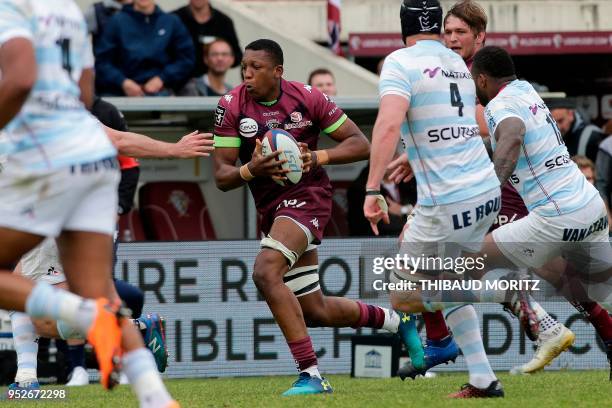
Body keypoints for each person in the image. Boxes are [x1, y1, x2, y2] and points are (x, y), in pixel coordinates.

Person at [0, 1, 180, 405]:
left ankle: (49, 357)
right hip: (89, 158)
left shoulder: (10, 11)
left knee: (52, 299)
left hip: (44, 162)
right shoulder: (70, 12)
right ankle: (156, 397)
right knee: (99, 294)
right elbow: (83, 93)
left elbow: (20, 80)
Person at [213, 39, 403, 396]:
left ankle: (311, 375)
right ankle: (397, 320)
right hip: (272, 210)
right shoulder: (231, 106)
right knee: (315, 310)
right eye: (244, 67)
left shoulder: (308, 98)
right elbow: (222, 176)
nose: (247, 74)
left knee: (266, 271)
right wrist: (251, 169)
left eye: (256, 67)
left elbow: (359, 144)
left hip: (308, 200)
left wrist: (316, 158)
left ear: (278, 72)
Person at [364, 0, 503, 398]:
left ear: (402, 28)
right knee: (446, 280)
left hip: (448, 200)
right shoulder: (459, 62)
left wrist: (373, 188)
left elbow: (389, 123)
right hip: (484, 188)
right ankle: (483, 378)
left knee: (404, 296)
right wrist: (417, 151)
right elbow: (467, 123)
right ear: (439, 27)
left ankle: (507, 291)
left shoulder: (399, 62)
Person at [471, 45, 612, 376]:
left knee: (460, 265)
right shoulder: (526, 90)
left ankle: (546, 328)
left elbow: (513, 135)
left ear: (482, 79)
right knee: (585, 285)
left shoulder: (500, 104)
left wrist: (488, 196)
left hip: (557, 215)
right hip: (590, 207)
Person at [95, 0, 194, 96]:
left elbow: (186, 59)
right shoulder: (116, 22)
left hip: (163, 91)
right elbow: (102, 61)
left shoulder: (171, 22)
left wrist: (162, 78)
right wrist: (123, 82)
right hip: (120, 92)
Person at [173, 0, 242, 77]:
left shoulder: (224, 22)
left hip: (212, 82)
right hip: (178, 81)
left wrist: (220, 60)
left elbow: (237, 55)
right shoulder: (173, 20)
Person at [347, 163, 416, 237]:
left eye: (395, 155)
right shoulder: (360, 187)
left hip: (410, 237)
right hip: (373, 240)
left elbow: (422, 210)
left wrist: (404, 210)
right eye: (390, 155)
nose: (395, 160)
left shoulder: (409, 181)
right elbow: (379, 223)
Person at [548, 98, 607, 162]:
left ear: (570, 115)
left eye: (560, 121)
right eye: (553, 123)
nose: (557, 127)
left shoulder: (593, 135)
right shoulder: (548, 137)